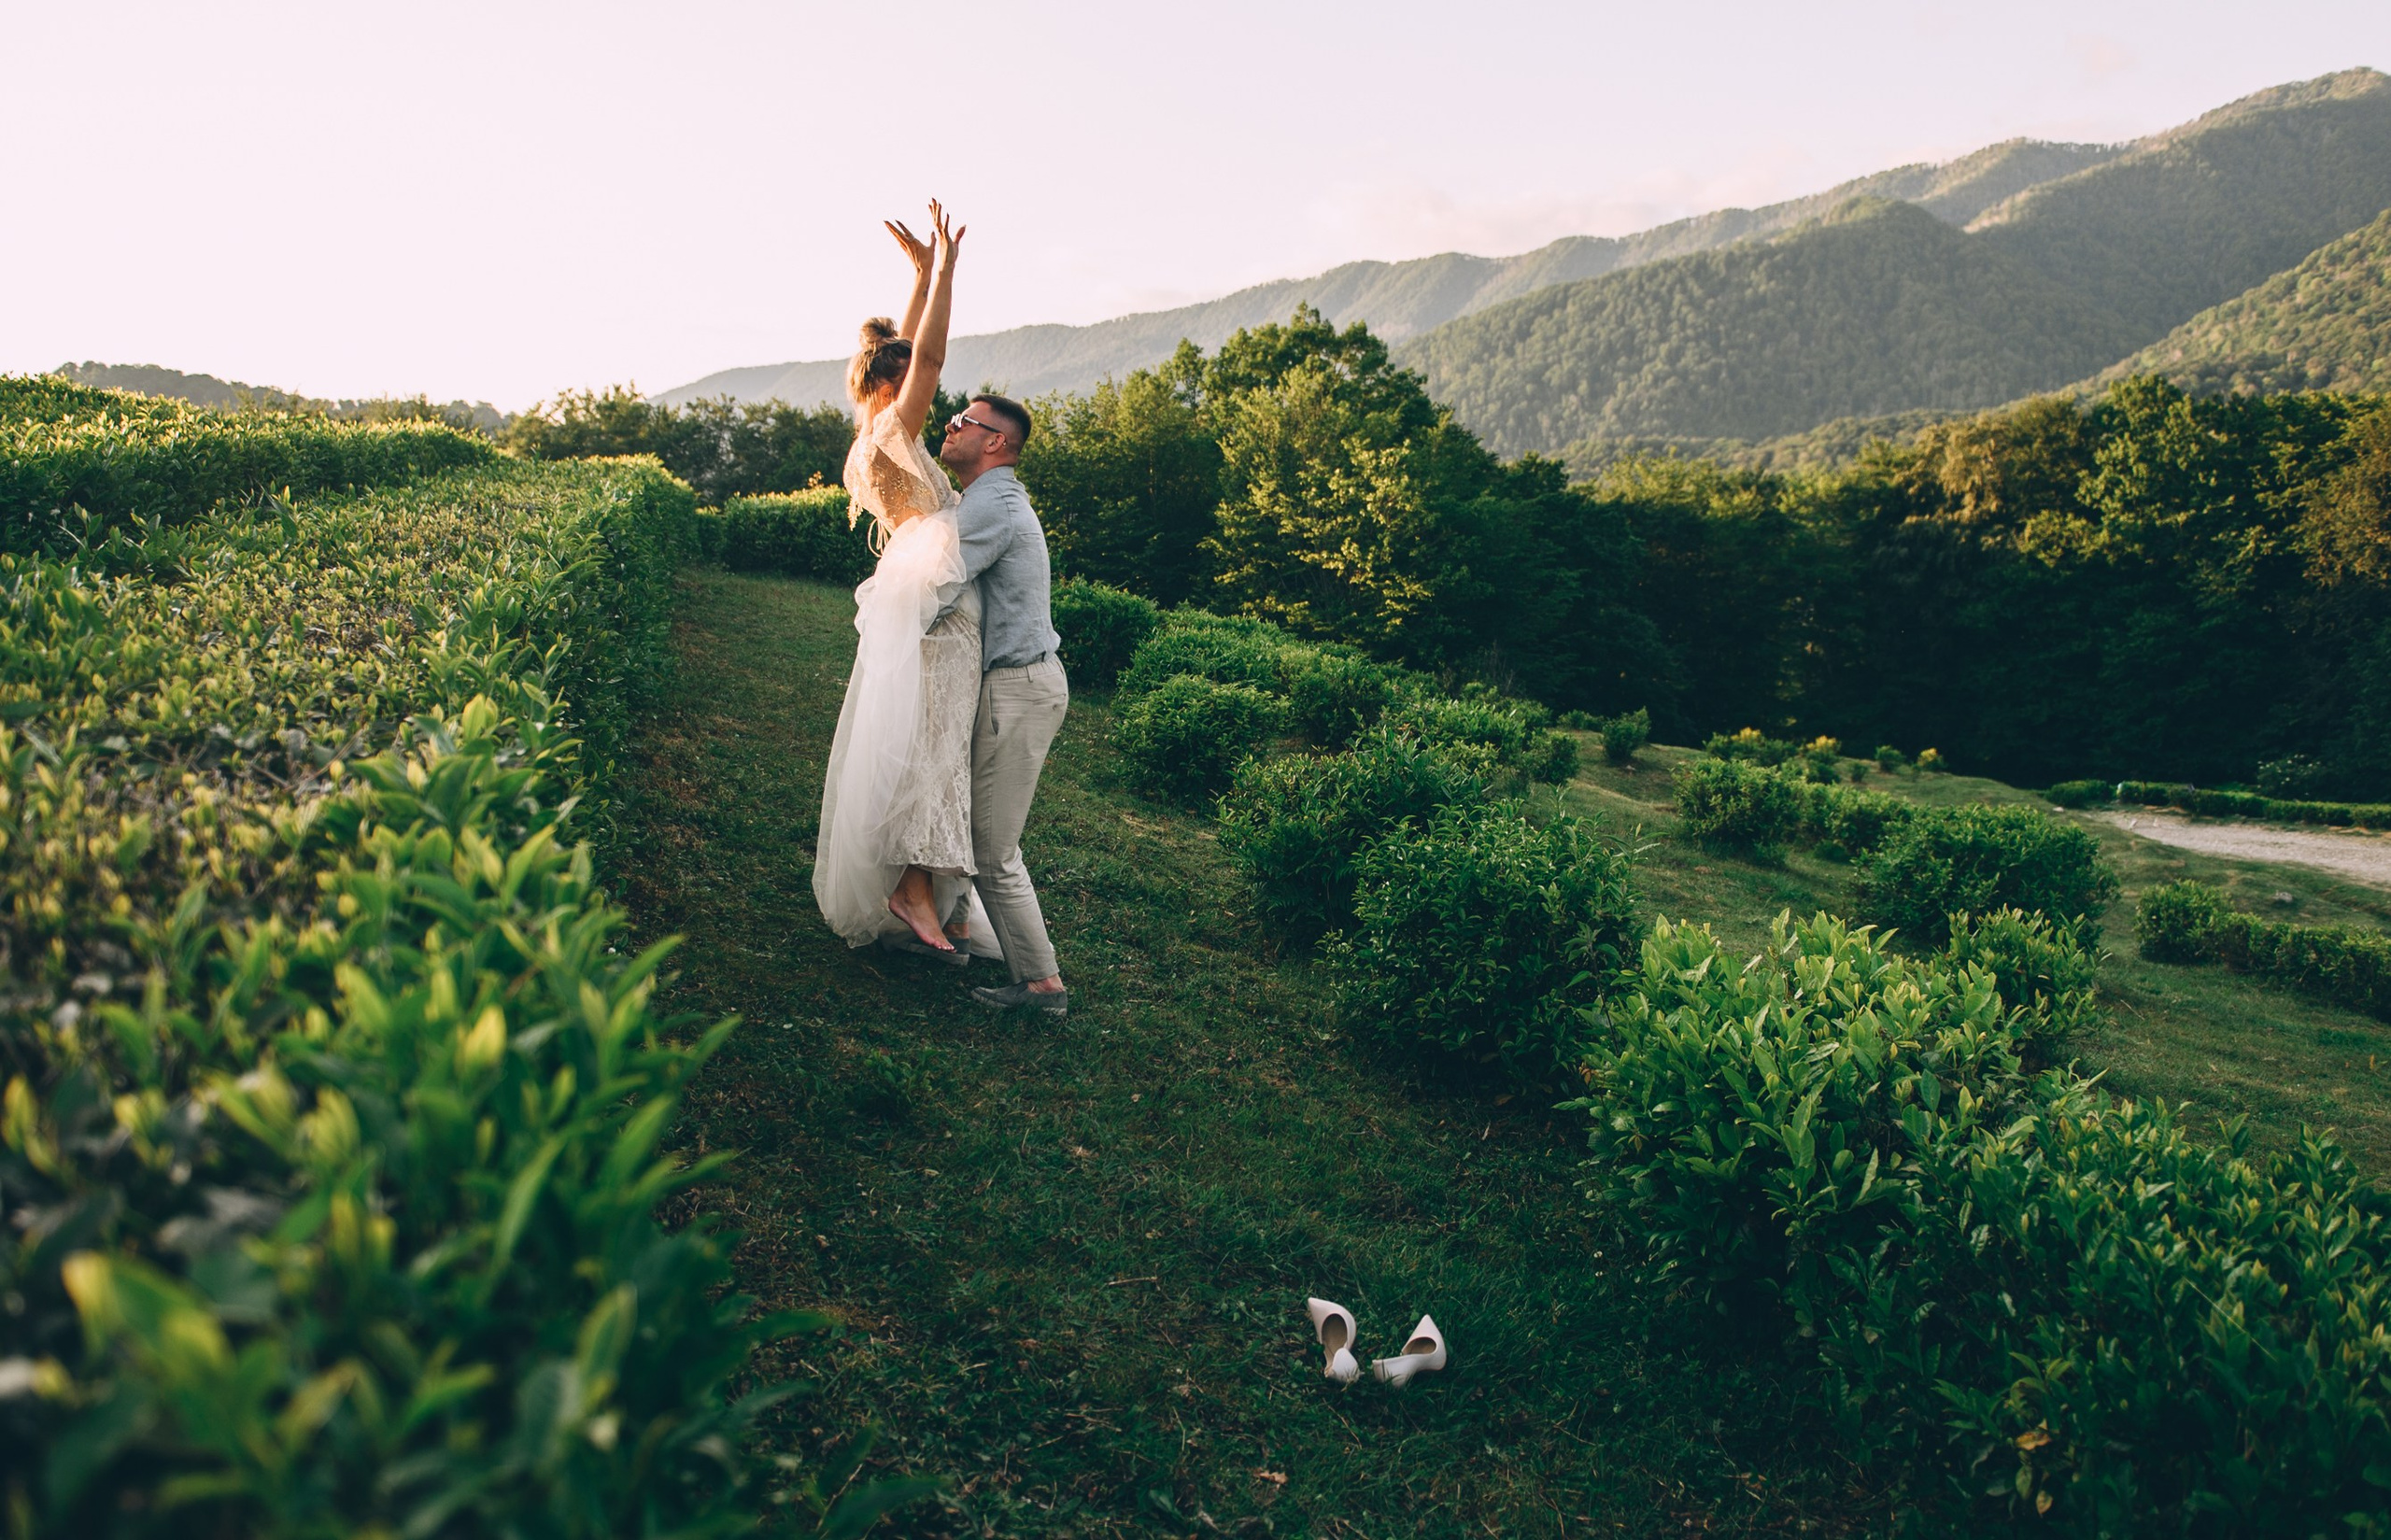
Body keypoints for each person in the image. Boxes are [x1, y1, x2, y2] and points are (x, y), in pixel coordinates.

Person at [812, 202, 997, 959]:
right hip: (944, 608)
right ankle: (918, 888)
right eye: (914, 377)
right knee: (942, 742)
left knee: (927, 740)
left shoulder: (866, 438)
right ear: (894, 384)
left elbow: (908, 351)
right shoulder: (894, 430)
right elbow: (928, 355)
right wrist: (947, 271)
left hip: (919, 595)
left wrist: (918, 276)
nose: (933, 397)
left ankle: (933, 891)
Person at [938, 391, 1072, 1016]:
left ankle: (1042, 983)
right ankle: (958, 929)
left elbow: (937, 582)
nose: (952, 424)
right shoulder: (991, 497)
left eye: (964, 421)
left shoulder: (992, 504)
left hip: (1017, 688)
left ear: (994, 442)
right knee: (971, 819)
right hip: (1019, 682)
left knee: (993, 846)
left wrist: (884, 621)